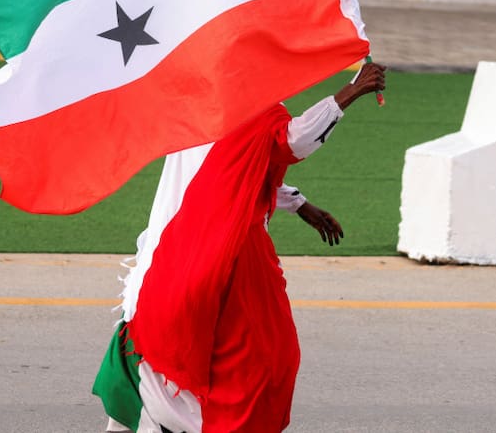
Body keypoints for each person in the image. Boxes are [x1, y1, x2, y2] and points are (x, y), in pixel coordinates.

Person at [94, 61, 387, 432]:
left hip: (177, 250)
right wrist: (352, 91)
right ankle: (177, 419)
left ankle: (143, 415)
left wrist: (299, 204)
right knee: (264, 358)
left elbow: (237, 174)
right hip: (227, 255)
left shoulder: (207, 99)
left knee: (159, 338)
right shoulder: (249, 103)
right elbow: (290, 141)